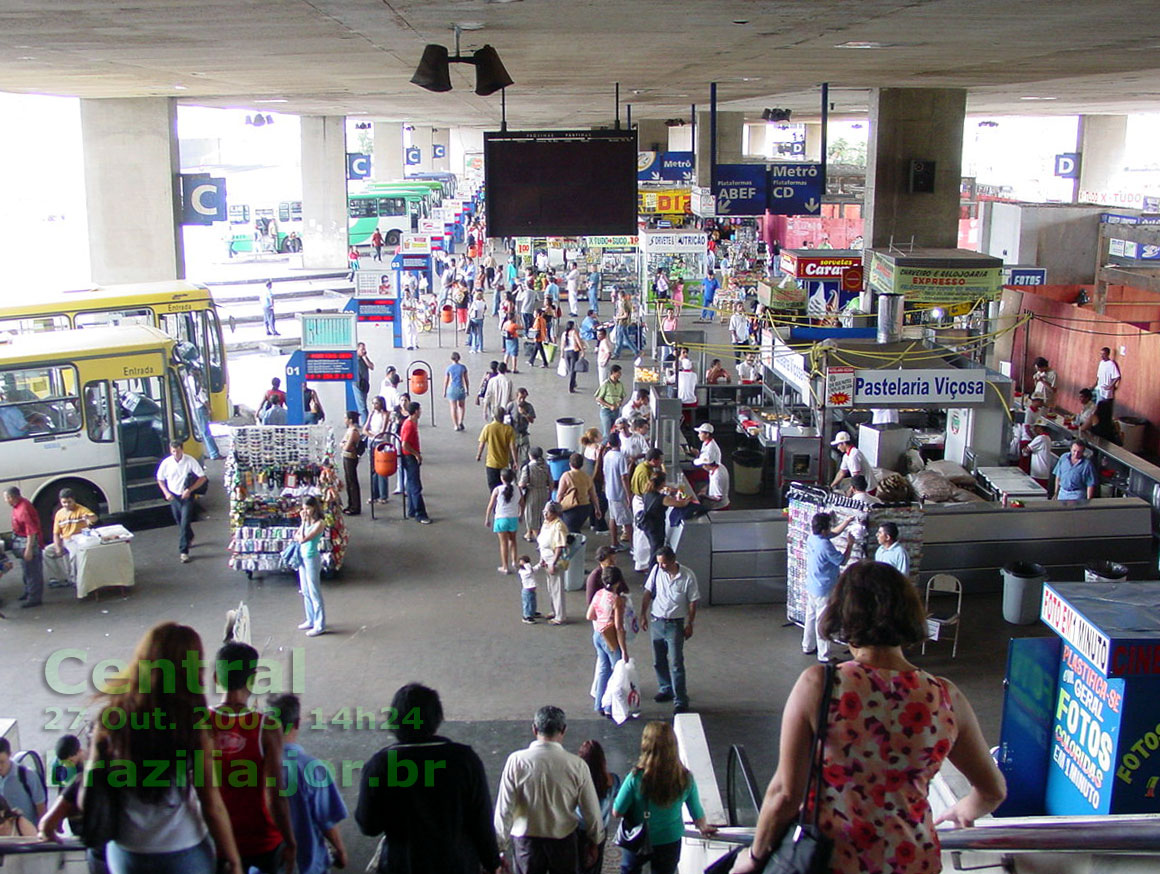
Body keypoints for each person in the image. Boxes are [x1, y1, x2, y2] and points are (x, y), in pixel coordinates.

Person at [735, 562, 1007, 874]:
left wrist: (754, 857)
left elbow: (785, 793)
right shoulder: (945, 696)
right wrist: (963, 810)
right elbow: (992, 790)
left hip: (834, 861)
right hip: (912, 861)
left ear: (843, 615)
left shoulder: (820, 685)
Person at [87, 623, 243, 874]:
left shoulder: (111, 718)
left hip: (126, 852)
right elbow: (211, 803)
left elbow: (90, 782)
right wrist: (233, 859)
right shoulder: (193, 724)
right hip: (183, 849)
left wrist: (54, 816)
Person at [358, 683, 501, 873]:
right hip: (457, 865)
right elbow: (481, 820)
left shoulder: (380, 765)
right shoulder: (464, 760)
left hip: (403, 865)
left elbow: (368, 825)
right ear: (436, 717)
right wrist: (493, 863)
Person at [211, 641, 298, 874]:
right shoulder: (266, 727)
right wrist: (291, 841)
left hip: (215, 838)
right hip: (261, 841)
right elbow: (274, 794)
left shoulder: (198, 723)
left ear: (215, 678)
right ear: (253, 679)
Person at [494, 706, 603, 874]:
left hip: (526, 843)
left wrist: (499, 847)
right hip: (563, 841)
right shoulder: (577, 765)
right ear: (564, 730)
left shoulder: (516, 761)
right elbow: (591, 810)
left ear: (534, 729)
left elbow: (504, 808)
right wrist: (595, 840)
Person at [612, 722, 717, 874]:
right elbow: (697, 812)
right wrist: (704, 827)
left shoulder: (635, 778)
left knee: (629, 869)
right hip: (670, 839)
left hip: (638, 837)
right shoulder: (685, 778)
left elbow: (617, 812)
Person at [264, 694, 348, 874]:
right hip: (306, 865)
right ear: (297, 723)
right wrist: (340, 850)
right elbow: (326, 820)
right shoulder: (311, 769)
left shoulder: (249, 767)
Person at [640, 545, 699, 713]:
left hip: (675, 624)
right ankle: (665, 688)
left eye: (664, 563)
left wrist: (690, 623)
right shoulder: (657, 571)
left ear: (673, 561)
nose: (661, 566)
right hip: (657, 621)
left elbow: (693, 601)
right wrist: (643, 614)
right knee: (658, 660)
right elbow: (647, 592)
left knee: (675, 663)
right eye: (659, 563)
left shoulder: (687, 576)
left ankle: (680, 699)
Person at [804, 512, 853, 663]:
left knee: (810, 617)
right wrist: (850, 544)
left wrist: (847, 521)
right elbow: (842, 561)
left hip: (812, 584)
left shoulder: (812, 538)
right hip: (824, 588)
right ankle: (824, 655)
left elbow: (833, 533)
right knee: (823, 620)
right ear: (824, 529)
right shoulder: (825, 545)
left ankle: (808, 645)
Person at [586, 565, 629, 719]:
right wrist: (624, 649)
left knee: (604, 670)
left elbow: (590, 615)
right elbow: (619, 627)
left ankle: (599, 703)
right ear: (618, 582)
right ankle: (610, 706)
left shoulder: (598, 594)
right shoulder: (617, 600)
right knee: (616, 673)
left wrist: (603, 618)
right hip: (610, 638)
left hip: (598, 634)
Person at [156, 440, 207, 564]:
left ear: (182, 450)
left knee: (184, 522)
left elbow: (202, 478)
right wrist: (166, 493)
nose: (176, 454)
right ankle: (189, 536)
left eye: (177, 451)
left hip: (186, 496)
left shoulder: (190, 461)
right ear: (170, 451)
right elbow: (160, 479)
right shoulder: (166, 463)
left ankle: (183, 551)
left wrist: (190, 490)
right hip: (174, 496)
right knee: (179, 521)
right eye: (173, 451)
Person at [5, 486, 44, 608]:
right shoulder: (19, 506)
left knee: (32, 571)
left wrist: (29, 549)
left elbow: (31, 531)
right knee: (26, 569)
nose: (5, 501)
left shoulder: (24, 509)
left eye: (6, 498)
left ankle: (34, 597)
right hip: (21, 540)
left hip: (27, 542)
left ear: (12, 497)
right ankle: (28, 592)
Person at [294, 496, 327, 636]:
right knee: (305, 590)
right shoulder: (307, 522)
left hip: (312, 558)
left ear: (314, 508)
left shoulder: (319, 524)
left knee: (314, 591)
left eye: (308, 508)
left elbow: (302, 539)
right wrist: (303, 523)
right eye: (304, 508)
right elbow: (296, 535)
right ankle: (310, 619)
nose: (305, 511)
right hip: (302, 557)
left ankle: (320, 624)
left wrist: (303, 523)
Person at [537, 502, 570, 625]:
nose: (545, 514)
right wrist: (542, 558)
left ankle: (560, 615)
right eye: (544, 511)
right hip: (546, 559)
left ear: (555, 513)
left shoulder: (558, 526)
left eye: (548, 512)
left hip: (554, 561)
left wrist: (552, 563)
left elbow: (559, 546)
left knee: (557, 588)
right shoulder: (547, 523)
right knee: (551, 588)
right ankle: (555, 610)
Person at [399, 402, 432, 524]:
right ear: (416, 411)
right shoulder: (409, 425)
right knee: (416, 486)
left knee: (410, 483)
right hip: (410, 457)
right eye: (420, 409)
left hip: (408, 456)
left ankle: (412, 509)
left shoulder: (410, 423)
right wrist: (416, 454)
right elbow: (405, 444)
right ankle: (420, 513)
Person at [0, 736, 45, 823]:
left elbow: (41, 807)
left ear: (9, 754)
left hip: (29, 832)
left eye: (2, 762)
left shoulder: (27, 776)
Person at [487, 468, 523, 574]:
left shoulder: (498, 489)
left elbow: (491, 505)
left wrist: (487, 518)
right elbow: (522, 503)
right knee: (513, 540)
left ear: (502, 478)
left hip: (501, 518)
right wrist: (520, 514)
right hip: (513, 518)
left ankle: (505, 567)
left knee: (503, 543)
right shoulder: (517, 489)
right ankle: (515, 562)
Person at [601, 432, 633, 550]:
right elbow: (624, 477)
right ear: (619, 442)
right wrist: (628, 495)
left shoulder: (607, 455)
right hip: (619, 494)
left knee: (613, 518)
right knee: (628, 521)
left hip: (610, 491)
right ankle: (633, 546)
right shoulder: (621, 457)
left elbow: (604, 472)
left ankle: (614, 543)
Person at [557, 452, 601, 533]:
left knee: (571, 531)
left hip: (571, 507)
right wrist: (597, 509)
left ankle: (577, 545)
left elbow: (559, 495)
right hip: (585, 508)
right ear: (582, 464)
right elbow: (593, 496)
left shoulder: (566, 476)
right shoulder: (587, 477)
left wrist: (558, 508)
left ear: (570, 464)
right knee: (576, 529)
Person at [478, 410, 518, 493]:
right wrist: (515, 461)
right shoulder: (508, 429)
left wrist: (479, 455)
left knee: (493, 487)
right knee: (503, 486)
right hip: (503, 462)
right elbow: (512, 447)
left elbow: (482, 444)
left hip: (491, 463)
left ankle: (495, 503)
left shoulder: (488, 428)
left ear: (493, 415)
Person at [519, 447, 553, 543]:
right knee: (541, 515)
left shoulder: (528, 468)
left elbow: (522, 483)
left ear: (530, 456)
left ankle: (540, 541)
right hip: (543, 492)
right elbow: (550, 482)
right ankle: (528, 534)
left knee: (531, 517)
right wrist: (550, 493)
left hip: (532, 493)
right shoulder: (546, 466)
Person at [363, 395, 391, 505]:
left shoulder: (385, 414)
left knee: (382, 469)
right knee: (373, 469)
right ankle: (375, 494)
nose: (374, 406)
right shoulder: (372, 413)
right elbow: (365, 429)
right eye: (373, 403)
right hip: (371, 442)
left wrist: (372, 434)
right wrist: (372, 434)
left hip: (381, 444)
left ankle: (383, 495)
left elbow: (382, 432)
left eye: (376, 403)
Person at [594, 365, 627, 437]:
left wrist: (620, 402)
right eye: (618, 373)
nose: (620, 375)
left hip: (616, 411)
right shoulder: (605, 384)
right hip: (606, 411)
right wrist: (610, 406)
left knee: (616, 431)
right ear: (613, 373)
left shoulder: (620, 384)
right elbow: (598, 398)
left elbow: (622, 396)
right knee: (607, 433)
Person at [507, 388, 536, 468]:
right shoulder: (511, 405)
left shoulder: (528, 406)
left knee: (525, 458)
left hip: (524, 434)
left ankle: (525, 472)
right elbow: (506, 418)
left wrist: (525, 414)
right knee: (511, 457)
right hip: (513, 434)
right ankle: (512, 475)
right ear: (517, 396)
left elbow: (532, 420)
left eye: (524, 398)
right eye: (520, 398)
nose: (522, 400)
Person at [341, 410, 362, 516]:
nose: (344, 420)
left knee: (352, 482)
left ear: (350, 420)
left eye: (346, 418)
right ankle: (350, 504)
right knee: (349, 482)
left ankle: (355, 506)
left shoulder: (353, 431)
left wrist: (343, 445)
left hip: (350, 458)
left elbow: (346, 446)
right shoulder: (349, 430)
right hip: (346, 457)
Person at [444, 351, 470, 432]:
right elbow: (466, 380)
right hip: (460, 388)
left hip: (452, 389)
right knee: (461, 406)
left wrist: (444, 391)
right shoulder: (463, 367)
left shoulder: (449, 368)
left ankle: (455, 425)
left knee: (453, 407)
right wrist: (467, 389)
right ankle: (460, 421)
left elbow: (446, 381)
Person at [1023, 423, 1054, 488]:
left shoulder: (1040, 438)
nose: (1034, 429)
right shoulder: (1047, 438)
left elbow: (1026, 450)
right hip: (1044, 472)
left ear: (1040, 428)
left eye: (1036, 427)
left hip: (1038, 473)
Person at [560, 320, 587, 393]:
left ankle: (573, 383)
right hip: (574, 352)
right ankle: (571, 387)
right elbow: (579, 341)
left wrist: (561, 353)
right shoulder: (574, 332)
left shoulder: (564, 333)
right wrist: (583, 351)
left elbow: (562, 344)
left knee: (570, 369)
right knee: (573, 370)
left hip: (566, 352)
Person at [354, 342, 374, 426]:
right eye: (362, 349)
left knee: (363, 405)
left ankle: (366, 423)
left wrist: (365, 357)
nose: (364, 351)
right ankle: (365, 424)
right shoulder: (355, 359)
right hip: (358, 385)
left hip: (365, 385)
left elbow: (371, 366)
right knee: (362, 407)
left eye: (364, 349)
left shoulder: (364, 359)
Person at [518, 555, 539, 624]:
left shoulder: (529, 569)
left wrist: (540, 564)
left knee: (533, 602)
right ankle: (526, 616)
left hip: (532, 590)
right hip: (526, 591)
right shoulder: (522, 572)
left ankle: (532, 612)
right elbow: (529, 572)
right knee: (527, 603)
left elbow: (534, 569)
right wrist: (527, 565)